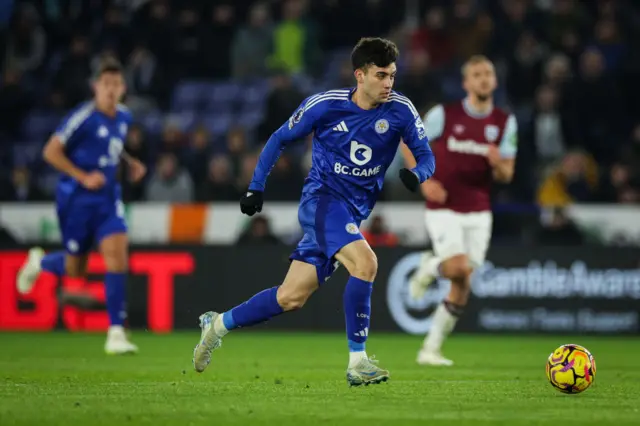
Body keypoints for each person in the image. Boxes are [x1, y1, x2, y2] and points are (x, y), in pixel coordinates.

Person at [192, 37, 435, 386]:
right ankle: (358, 362)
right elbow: (278, 139)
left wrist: (417, 174)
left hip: (350, 215)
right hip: (321, 202)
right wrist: (255, 187)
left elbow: (426, 155)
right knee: (366, 263)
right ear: (360, 75)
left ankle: (215, 325)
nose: (388, 84)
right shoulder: (325, 106)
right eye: (381, 75)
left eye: (393, 76)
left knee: (290, 297)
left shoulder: (400, 110)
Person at [16, 59, 147, 355]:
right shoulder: (83, 117)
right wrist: (82, 176)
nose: (111, 90)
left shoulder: (124, 117)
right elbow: (50, 151)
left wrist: (130, 162)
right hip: (76, 201)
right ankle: (39, 263)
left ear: (123, 89)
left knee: (117, 256)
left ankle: (115, 333)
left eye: (116, 85)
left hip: (108, 199)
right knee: (76, 268)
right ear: (96, 88)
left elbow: (113, 145)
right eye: (106, 85)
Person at [401, 55, 518, 366]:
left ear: (494, 81)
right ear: (466, 83)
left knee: (463, 281)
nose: (483, 79)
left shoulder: (505, 122)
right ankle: (429, 267)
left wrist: (497, 164)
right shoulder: (445, 114)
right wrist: (425, 183)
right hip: (444, 205)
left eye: (488, 74)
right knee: (459, 268)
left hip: (479, 210)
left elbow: (508, 174)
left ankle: (430, 349)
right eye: (476, 74)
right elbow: (408, 142)